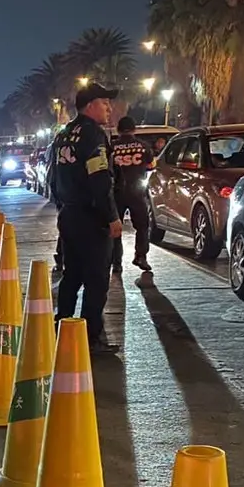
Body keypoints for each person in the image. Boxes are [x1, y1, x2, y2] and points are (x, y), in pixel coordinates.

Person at [51, 82, 122, 354]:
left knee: (72, 276)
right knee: (96, 279)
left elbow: (53, 179)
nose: (109, 108)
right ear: (90, 105)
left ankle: (62, 328)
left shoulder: (65, 134)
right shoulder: (93, 135)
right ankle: (90, 337)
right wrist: (111, 216)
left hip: (68, 215)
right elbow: (100, 179)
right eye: (105, 103)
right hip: (91, 218)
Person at [110, 116, 155, 278]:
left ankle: (116, 263)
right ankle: (141, 256)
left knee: (116, 228)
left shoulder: (112, 147)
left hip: (117, 192)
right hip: (137, 192)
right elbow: (151, 166)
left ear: (118, 130)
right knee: (142, 226)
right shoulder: (144, 147)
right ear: (134, 129)